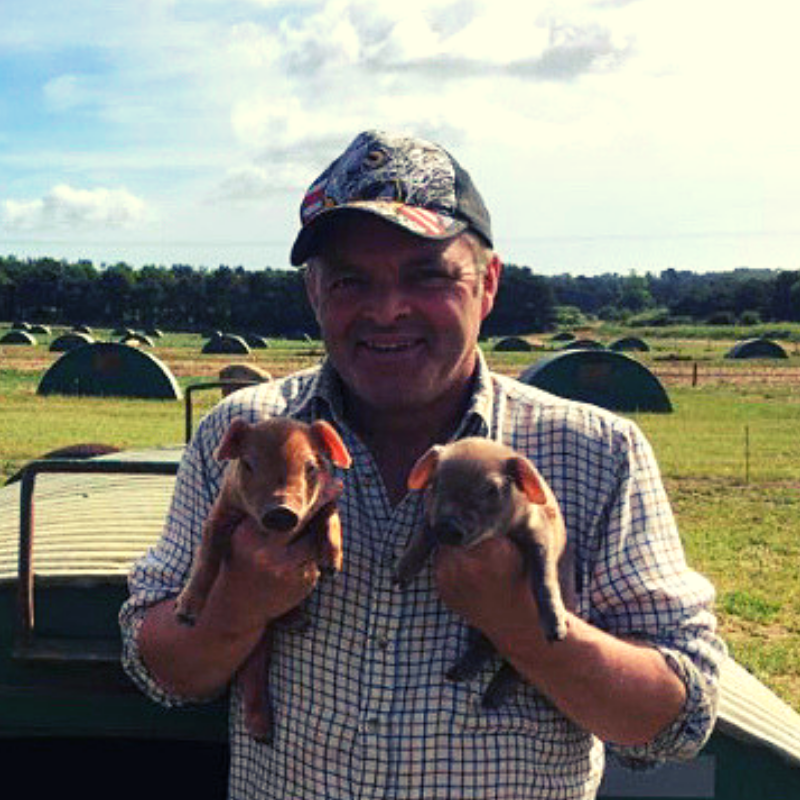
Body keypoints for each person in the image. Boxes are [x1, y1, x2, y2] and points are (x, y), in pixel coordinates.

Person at [120, 130, 725, 799]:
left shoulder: (596, 453)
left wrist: (524, 625)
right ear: (315, 294)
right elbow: (158, 671)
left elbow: (678, 719)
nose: (385, 310)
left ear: (488, 284)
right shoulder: (240, 440)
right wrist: (237, 607)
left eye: (427, 275)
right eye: (351, 280)